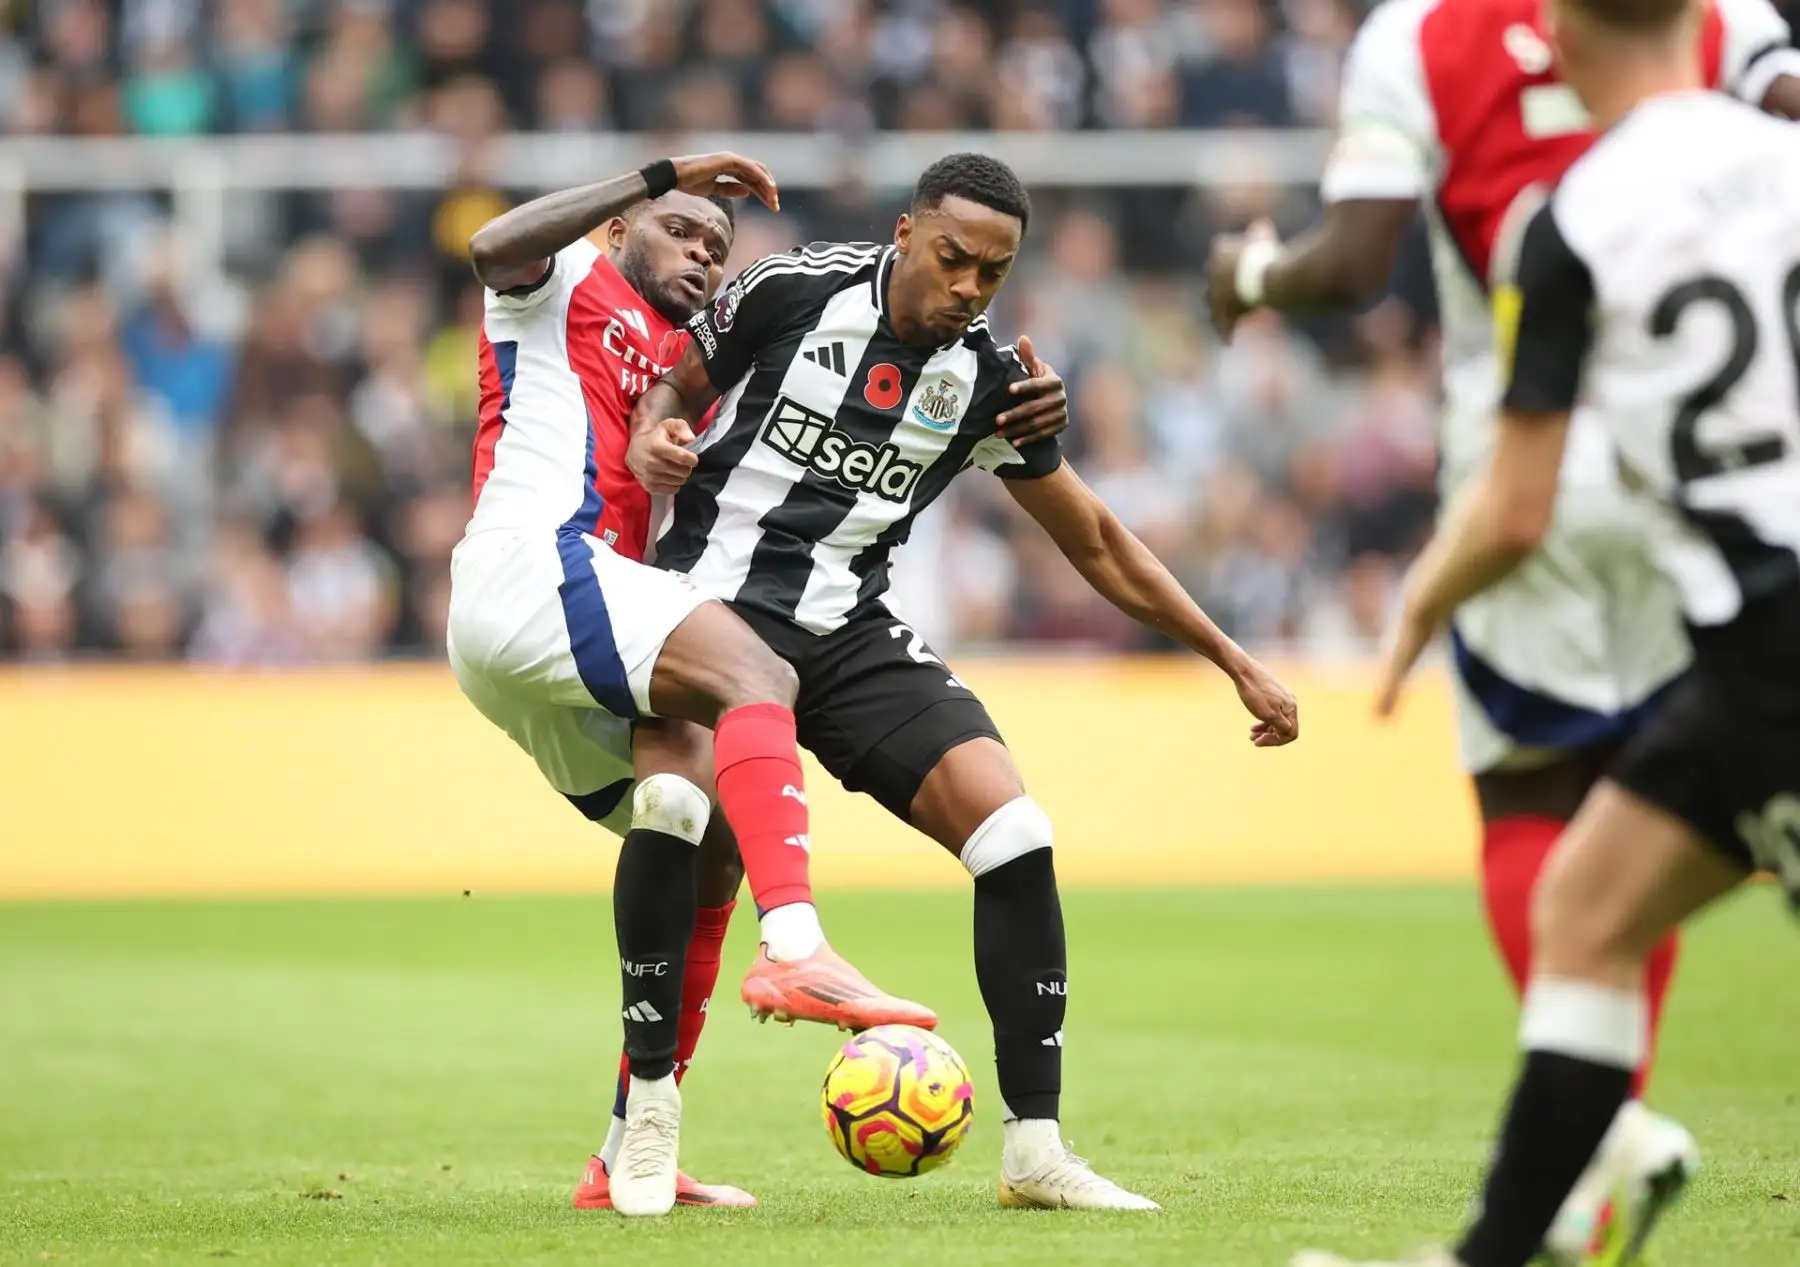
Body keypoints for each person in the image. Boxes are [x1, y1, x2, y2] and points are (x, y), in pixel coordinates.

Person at [1204, 0, 1800, 1253]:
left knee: (1539, 801)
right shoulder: (1772, 129)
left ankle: (1607, 1146)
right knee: (1597, 889)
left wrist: (1428, 589)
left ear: (1566, 40)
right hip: (1720, 585)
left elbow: (1358, 269)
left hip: (1588, 508)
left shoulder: (1555, 206)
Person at [628, 153, 1301, 1212]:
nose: (969, 287)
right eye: (952, 258)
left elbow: (1097, 540)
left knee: (1016, 834)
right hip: (709, 608)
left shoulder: (990, 382)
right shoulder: (793, 289)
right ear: (905, 233)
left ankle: (1036, 1150)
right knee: (683, 827)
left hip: (845, 629)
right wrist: (655, 431)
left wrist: (1232, 657)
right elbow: (677, 382)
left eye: (993, 272)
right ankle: (643, 1131)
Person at [447, 152, 1073, 1218]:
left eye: (715, 244)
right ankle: (796, 945)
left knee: (696, 822)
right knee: (754, 672)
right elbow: (491, 246)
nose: (701, 253)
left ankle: (634, 1146)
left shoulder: (681, 355)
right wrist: (655, 173)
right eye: (679, 229)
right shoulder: (562, 279)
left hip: (578, 621)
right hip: (532, 567)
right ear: (618, 228)